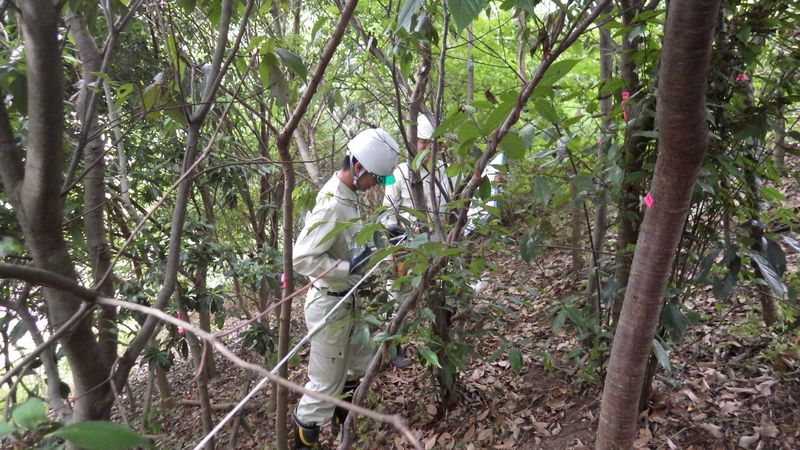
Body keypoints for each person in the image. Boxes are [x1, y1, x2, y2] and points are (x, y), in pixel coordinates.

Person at [292, 128, 400, 449]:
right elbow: (304, 257)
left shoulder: (348, 196)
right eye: (375, 180)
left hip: (349, 301)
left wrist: (383, 236)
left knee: (357, 365)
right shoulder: (331, 205)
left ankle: (344, 431)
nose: (375, 187)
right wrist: (348, 269)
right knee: (323, 389)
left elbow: (350, 243)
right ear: (358, 168)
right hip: (329, 307)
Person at [380, 114, 451, 368]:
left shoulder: (443, 171)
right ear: (414, 142)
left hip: (436, 246)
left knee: (437, 295)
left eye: (433, 143)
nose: (428, 149)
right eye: (423, 143)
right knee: (397, 296)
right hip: (405, 248)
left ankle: (438, 341)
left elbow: (450, 206)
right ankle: (394, 348)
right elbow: (386, 210)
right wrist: (396, 233)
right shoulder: (396, 172)